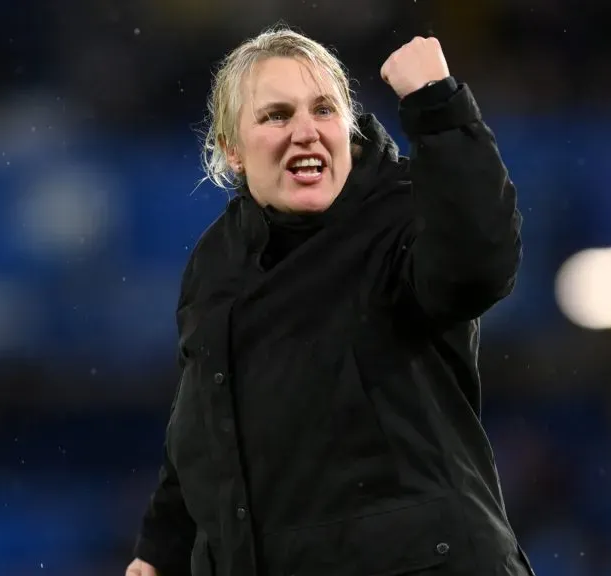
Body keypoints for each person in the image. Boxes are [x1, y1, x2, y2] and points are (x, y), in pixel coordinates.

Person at [126, 24, 531, 576]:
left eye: (324, 109)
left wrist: (438, 104)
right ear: (232, 150)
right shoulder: (217, 260)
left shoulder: (402, 215)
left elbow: (481, 266)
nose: (306, 132)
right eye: (277, 115)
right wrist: (163, 547)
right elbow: (209, 420)